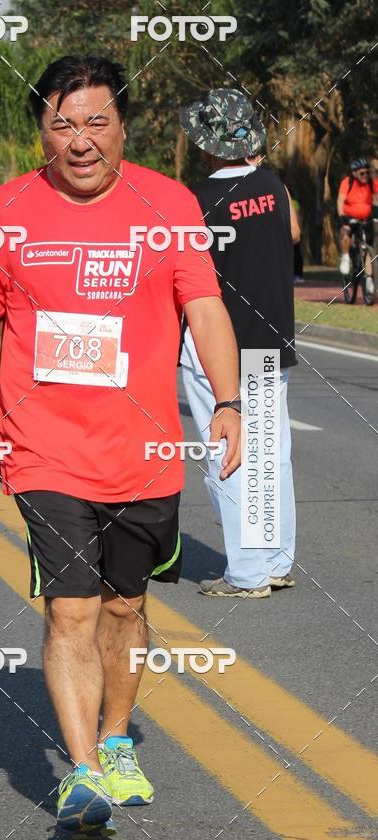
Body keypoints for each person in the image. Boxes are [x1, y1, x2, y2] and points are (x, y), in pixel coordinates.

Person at [0, 56, 241, 833]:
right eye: (62, 123)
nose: (80, 141)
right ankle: (82, 773)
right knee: (72, 610)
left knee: (125, 605)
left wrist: (229, 402)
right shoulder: (5, 209)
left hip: (144, 449)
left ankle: (116, 741)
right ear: (40, 130)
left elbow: (207, 307)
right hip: (43, 445)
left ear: (123, 127)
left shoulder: (171, 202)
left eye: (95, 122)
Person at [179, 87, 298, 598]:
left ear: (207, 145)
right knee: (271, 452)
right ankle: (274, 560)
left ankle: (247, 574)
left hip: (217, 348)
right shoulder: (274, 185)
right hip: (271, 341)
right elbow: (291, 234)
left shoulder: (195, 201)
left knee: (227, 453)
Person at [337, 158, 378, 294]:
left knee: (368, 246)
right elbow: (340, 200)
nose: (365, 176)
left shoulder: (371, 183)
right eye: (362, 173)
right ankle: (345, 257)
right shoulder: (347, 182)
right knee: (345, 231)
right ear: (354, 173)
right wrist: (343, 217)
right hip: (349, 217)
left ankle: (369, 280)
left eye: (367, 173)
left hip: (366, 218)